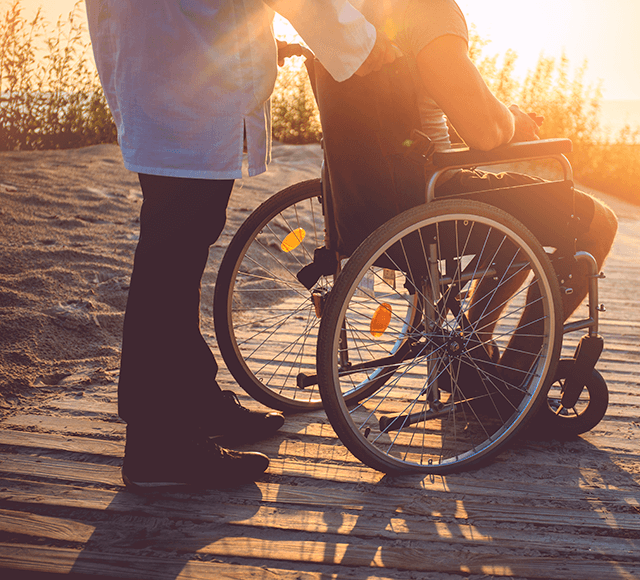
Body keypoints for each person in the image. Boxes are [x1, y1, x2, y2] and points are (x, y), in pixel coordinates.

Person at [85, 0, 396, 492]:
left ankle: (189, 401)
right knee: (171, 257)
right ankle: (158, 445)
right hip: (186, 83)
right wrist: (360, 44)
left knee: (178, 248)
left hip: (165, 69)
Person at [349, 0, 618, 372]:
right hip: (432, 197)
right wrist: (513, 122)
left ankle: (474, 351)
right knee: (600, 223)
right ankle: (518, 376)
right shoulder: (431, 13)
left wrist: (499, 119)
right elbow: (485, 132)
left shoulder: (356, 13)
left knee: (516, 218)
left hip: (369, 198)